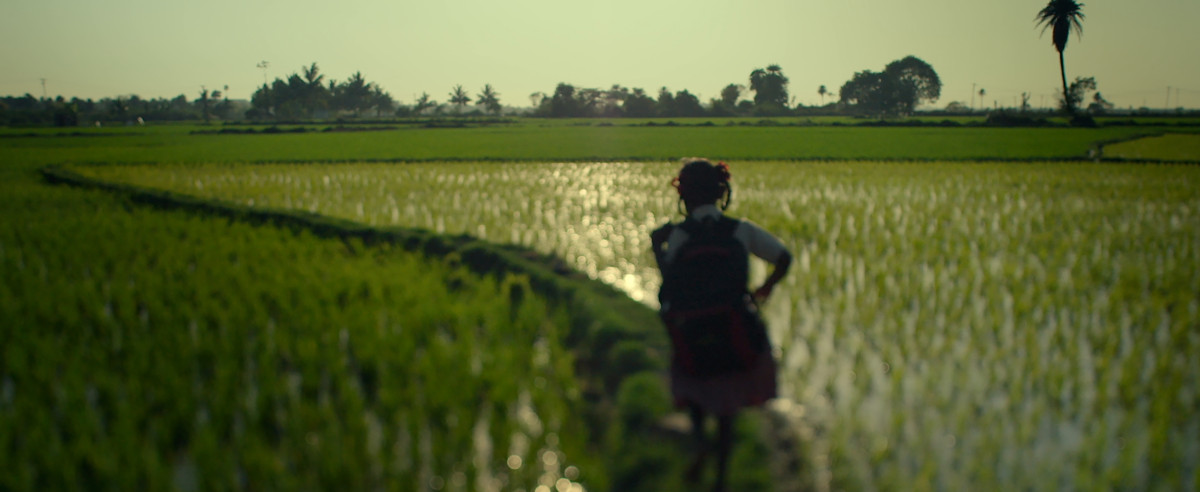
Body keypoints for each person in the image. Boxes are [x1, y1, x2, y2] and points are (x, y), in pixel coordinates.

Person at [651, 158, 791, 492]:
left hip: (692, 332)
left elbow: (669, 284)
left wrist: (658, 248)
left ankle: (700, 440)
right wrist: (765, 289)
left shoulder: (681, 234)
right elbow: (784, 257)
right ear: (721, 193)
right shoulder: (740, 230)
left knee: (697, 385)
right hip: (735, 329)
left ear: (683, 195)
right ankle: (722, 477)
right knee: (727, 405)